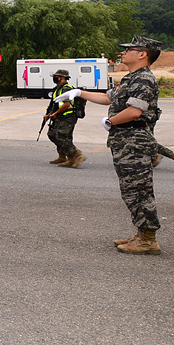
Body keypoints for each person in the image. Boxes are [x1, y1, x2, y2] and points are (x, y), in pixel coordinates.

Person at [58, 36, 164, 254]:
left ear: (143, 54)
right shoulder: (131, 78)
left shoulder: (144, 79)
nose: (123, 53)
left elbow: (135, 111)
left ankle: (148, 239)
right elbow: (108, 99)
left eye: (128, 49)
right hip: (125, 142)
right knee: (130, 190)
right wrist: (78, 93)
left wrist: (110, 121)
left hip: (134, 142)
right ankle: (142, 233)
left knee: (139, 190)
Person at [46, 68, 85, 168]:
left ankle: (77, 155)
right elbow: (55, 103)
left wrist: (55, 113)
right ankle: (64, 157)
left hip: (68, 115)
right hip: (60, 115)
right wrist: (49, 113)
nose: (55, 78)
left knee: (60, 136)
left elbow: (67, 104)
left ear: (62, 78)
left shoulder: (66, 88)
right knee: (55, 135)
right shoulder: (57, 88)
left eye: (56, 77)